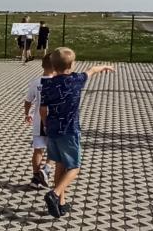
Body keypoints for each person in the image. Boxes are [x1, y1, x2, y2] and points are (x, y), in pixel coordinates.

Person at [40, 48, 115, 218]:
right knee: (74, 167)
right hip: (70, 131)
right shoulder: (76, 80)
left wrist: (45, 125)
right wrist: (104, 67)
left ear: (53, 66)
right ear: (72, 65)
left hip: (53, 130)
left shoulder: (47, 84)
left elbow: (42, 110)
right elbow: (91, 70)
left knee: (59, 165)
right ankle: (54, 194)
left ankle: (61, 203)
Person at [23, 53, 56, 188]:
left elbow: (28, 101)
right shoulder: (58, 83)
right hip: (53, 121)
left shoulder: (36, 82)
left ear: (42, 65)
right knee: (54, 149)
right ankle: (46, 169)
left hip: (39, 121)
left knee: (38, 150)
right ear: (56, 67)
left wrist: (27, 114)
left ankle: (36, 178)